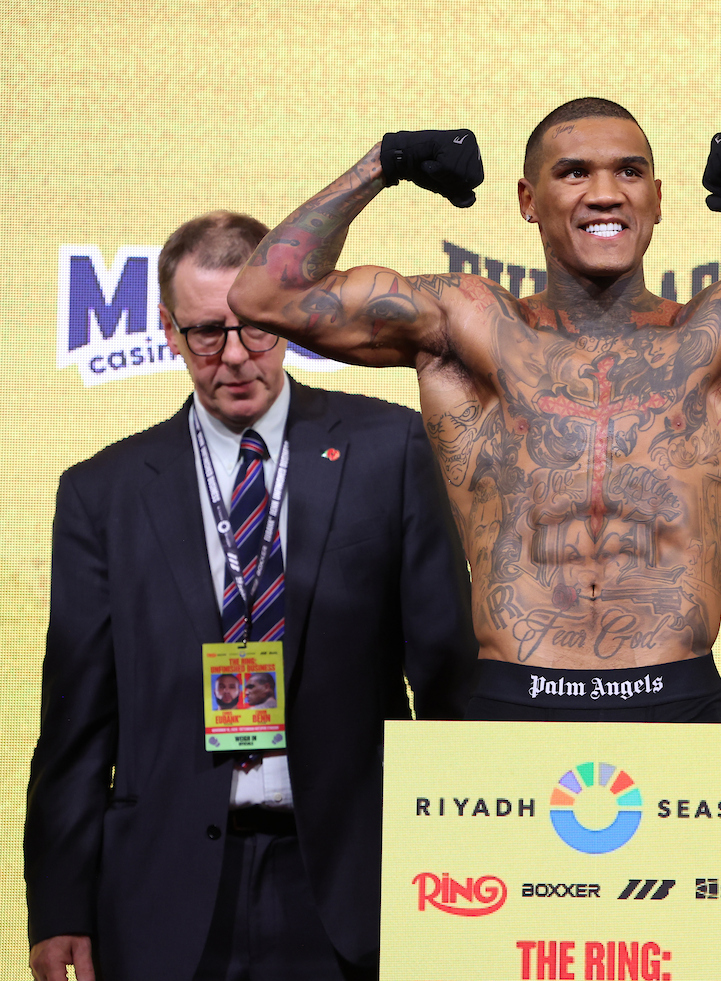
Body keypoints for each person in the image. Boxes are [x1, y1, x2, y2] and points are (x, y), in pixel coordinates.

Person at [227, 97, 721, 722]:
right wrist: (383, 164)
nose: (606, 192)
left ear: (657, 199)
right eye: (574, 172)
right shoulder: (471, 328)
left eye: (630, 171)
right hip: (513, 697)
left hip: (674, 696)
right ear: (529, 201)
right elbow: (265, 295)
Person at [24, 211, 478, 981]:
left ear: (289, 315)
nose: (234, 355)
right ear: (169, 330)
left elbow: (448, 682)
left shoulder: (389, 449)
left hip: (351, 889)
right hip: (162, 898)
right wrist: (61, 903)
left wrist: (465, 870)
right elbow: (77, 725)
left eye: (256, 328)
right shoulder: (102, 493)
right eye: (206, 332)